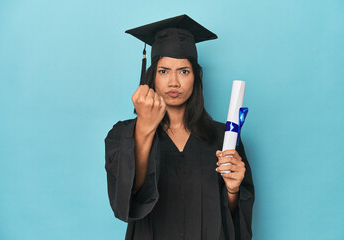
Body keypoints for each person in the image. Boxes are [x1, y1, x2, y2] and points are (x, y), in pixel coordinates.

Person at [105, 15, 254, 240]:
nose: (174, 82)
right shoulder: (122, 135)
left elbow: (233, 221)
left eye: (184, 71)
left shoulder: (224, 137)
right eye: (164, 71)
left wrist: (233, 190)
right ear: (151, 76)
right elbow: (126, 203)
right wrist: (144, 127)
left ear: (196, 78)